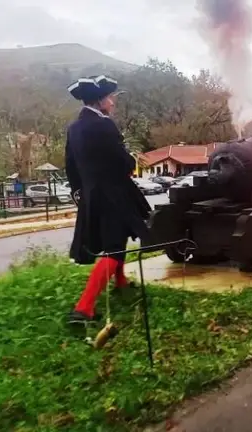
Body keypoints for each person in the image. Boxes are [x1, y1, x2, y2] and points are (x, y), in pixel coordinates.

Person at [64, 75, 152, 325]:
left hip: (92, 193)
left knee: (118, 237)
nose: (113, 102)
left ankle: (121, 281)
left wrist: (79, 191)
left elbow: (70, 164)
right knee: (114, 246)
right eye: (111, 97)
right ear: (100, 100)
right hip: (113, 193)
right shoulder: (105, 126)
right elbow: (122, 161)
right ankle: (84, 309)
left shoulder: (74, 128)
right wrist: (131, 161)